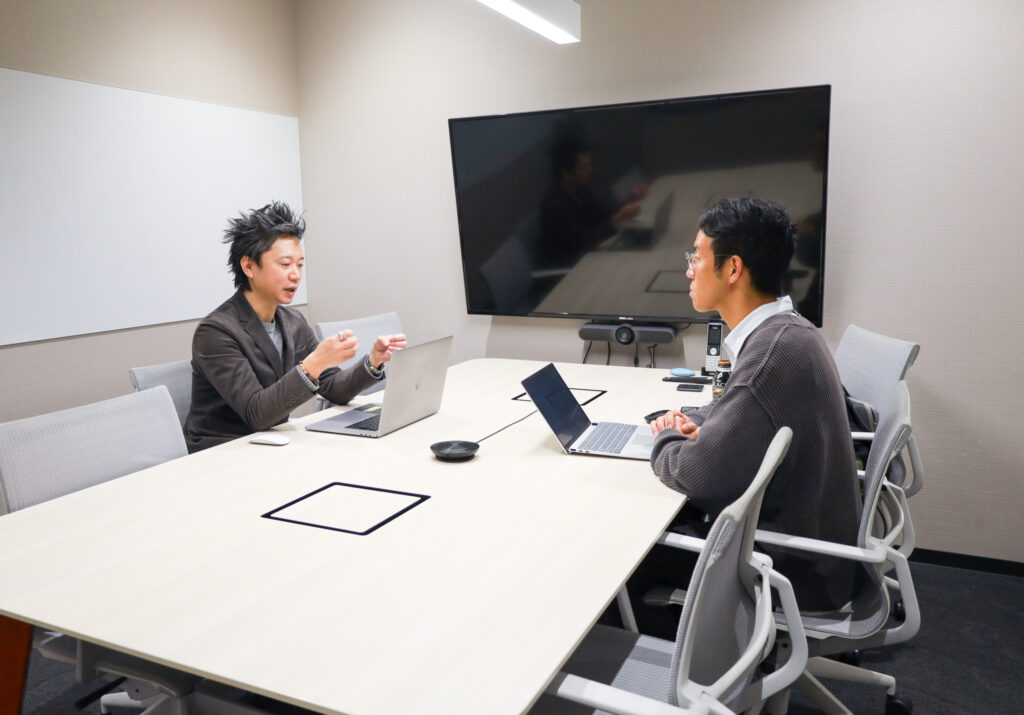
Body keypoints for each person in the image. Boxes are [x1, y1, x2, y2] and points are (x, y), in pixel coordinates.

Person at [635, 196, 861, 633]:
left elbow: (697, 475)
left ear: (733, 268)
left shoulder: (770, 355)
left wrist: (665, 435)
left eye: (696, 258)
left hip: (792, 573)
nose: (689, 270)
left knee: (628, 552)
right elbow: (741, 405)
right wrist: (700, 420)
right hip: (812, 554)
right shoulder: (787, 332)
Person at [185, 202, 406, 453]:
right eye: (285, 264)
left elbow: (333, 388)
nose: (296, 275)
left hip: (272, 443)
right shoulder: (216, 331)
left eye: (299, 265)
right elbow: (256, 413)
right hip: (221, 452)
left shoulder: (292, 321)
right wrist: (314, 363)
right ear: (248, 267)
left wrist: (373, 362)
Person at [538, 136, 647, 269]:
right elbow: (584, 241)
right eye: (583, 167)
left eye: (589, 165)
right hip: (572, 267)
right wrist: (618, 218)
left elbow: (602, 214)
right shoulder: (554, 207)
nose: (589, 170)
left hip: (591, 255)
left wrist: (627, 201)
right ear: (566, 173)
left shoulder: (579, 190)